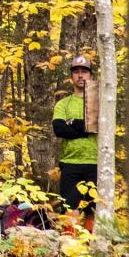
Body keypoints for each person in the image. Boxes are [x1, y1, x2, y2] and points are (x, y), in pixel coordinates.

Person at [52, 55, 99, 219]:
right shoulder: (63, 104)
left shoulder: (98, 102)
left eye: (84, 72)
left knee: (93, 213)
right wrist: (85, 127)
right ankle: (69, 244)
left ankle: (94, 245)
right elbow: (59, 130)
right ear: (71, 76)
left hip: (95, 163)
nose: (80, 75)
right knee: (69, 212)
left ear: (90, 75)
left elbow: (98, 126)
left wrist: (73, 124)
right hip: (70, 164)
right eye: (76, 72)